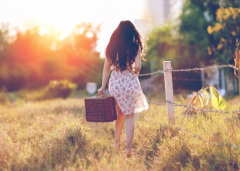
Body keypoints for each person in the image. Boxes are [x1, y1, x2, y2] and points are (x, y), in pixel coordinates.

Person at [97, 20, 148, 156]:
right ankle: (128, 149)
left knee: (119, 113)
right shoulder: (135, 46)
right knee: (130, 116)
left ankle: (116, 142)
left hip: (115, 84)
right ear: (132, 32)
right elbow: (137, 67)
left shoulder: (112, 47)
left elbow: (106, 67)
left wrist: (102, 86)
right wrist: (133, 74)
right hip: (130, 82)